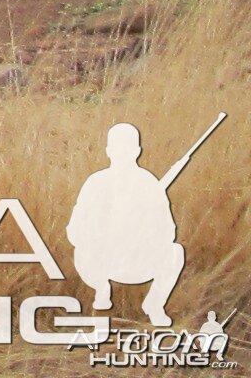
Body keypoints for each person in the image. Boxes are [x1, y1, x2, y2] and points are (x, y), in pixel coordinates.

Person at [69, 120, 189, 327]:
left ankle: (154, 304)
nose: (122, 152)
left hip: (139, 261)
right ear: (108, 150)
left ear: (137, 150)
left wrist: (142, 232)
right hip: (103, 261)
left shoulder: (149, 183)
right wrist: (99, 236)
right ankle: (101, 288)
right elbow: (74, 229)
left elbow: (169, 230)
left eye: (128, 146)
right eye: (117, 146)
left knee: (175, 252)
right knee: (81, 251)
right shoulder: (95, 182)